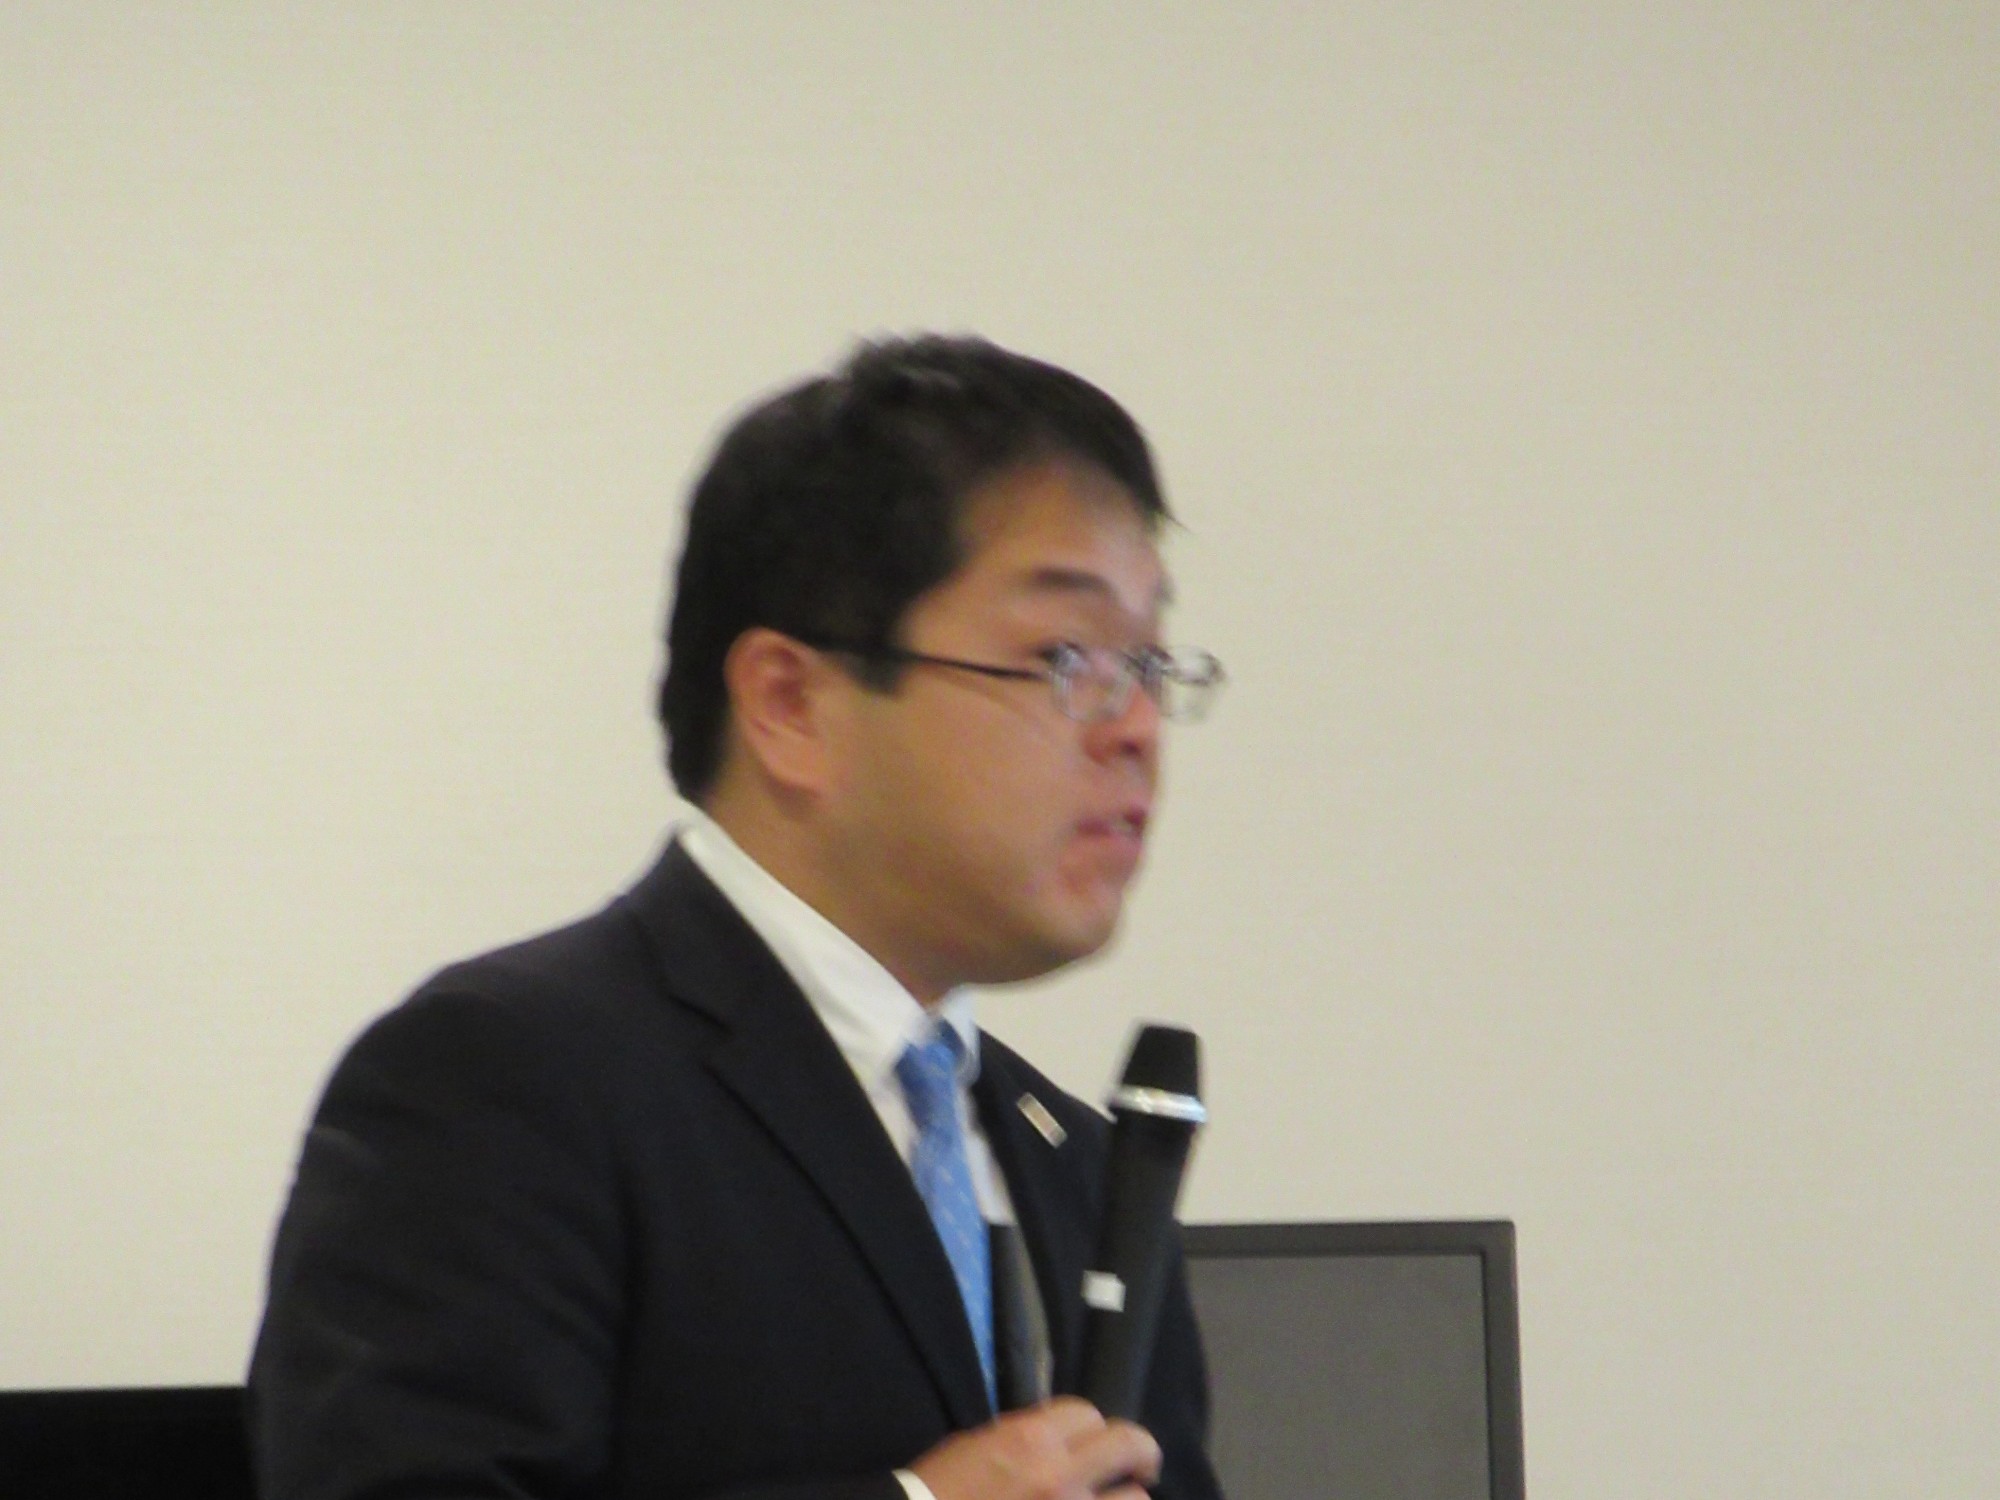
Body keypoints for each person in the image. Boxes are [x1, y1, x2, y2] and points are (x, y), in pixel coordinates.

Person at [249, 335, 1228, 1500]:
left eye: (1148, 665)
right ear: (788, 702)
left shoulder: (1081, 1167)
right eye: (1064, 656)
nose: (1134, 728)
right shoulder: (503, 1080)